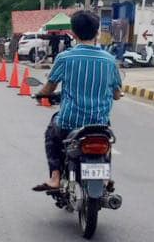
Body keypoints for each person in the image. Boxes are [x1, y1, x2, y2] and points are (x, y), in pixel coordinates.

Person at [32, 10, 122, 192]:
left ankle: (55, 177)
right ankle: (105, 178)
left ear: (73, 33)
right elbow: (116, 94)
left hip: (69, 122)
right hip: (99, 122)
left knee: (52, 133)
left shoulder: (65, 58)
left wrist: (40, 94)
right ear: (97, 32)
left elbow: (49, 87)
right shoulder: (110, 60)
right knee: (106, 140)